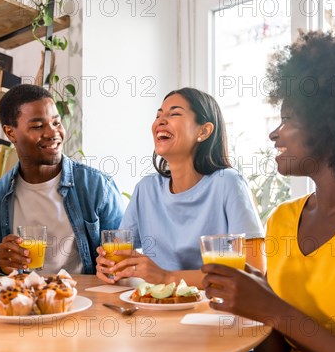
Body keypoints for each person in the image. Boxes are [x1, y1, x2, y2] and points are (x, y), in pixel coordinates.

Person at [149, 31, 335, 352]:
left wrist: (272, 308)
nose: (275, 134)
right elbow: (272, 346)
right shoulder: (284, 219)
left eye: (288, 118)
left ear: (334, 125)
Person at [96, 87, 265, 288]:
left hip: (212, 310)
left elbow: (255, 272)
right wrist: (108, 266)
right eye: (158, 115)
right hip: (156, 307)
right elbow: (119, 257)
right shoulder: (146, 189)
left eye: (174, 113)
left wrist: (167, 277)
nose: (160, 121)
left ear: (204, 131)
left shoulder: (228, 183)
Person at [0, 84, 124, 276]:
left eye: (56, 122)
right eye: (38, 126)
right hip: (24, 300)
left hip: (85, 300)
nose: (52, 133)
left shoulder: (98, 187)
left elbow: (123, 263)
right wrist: (2, 268)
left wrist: (114, 267)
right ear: (10, 132)